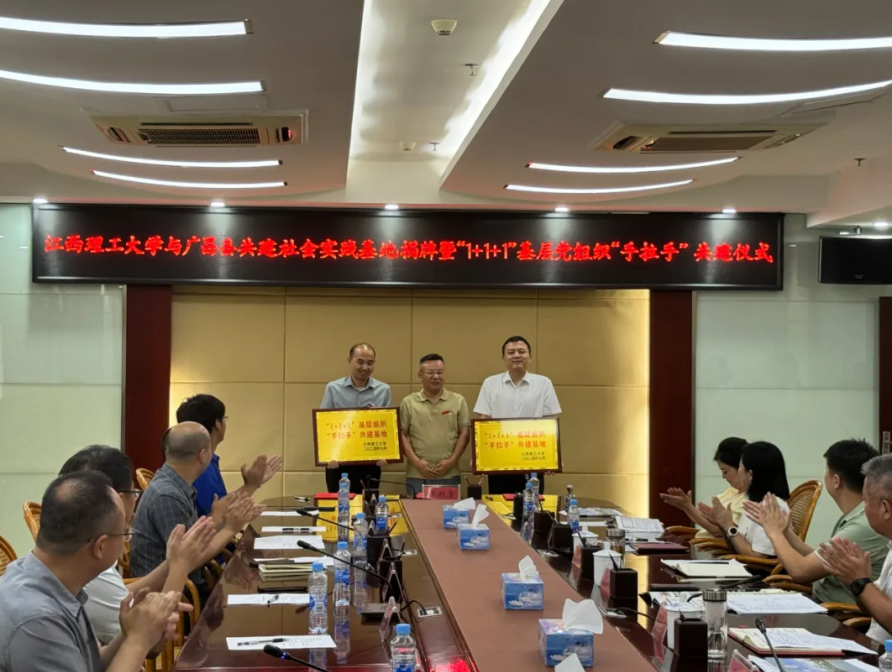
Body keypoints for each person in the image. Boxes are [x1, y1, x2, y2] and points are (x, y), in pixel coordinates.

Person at [0, 471, 188, 672]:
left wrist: (129, 632)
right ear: (100, 547)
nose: (126, 540)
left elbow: (88, 664)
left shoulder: (41, 576)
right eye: (125, 533)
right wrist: (138, 640)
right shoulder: (37, 621)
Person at [59, 445, 218, 644]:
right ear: (116, 499)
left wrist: (175, 561)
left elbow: (116, 596)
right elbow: (151, 644)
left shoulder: (73, 551)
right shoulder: (89, 563)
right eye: (133, 493)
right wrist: (179, 567)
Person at [130, 422, 261, 605]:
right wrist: (231, 527)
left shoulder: (174, 484)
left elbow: (194, 544)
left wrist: (220, 519)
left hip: (186, 588)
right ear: (203, 455)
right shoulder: (168, 495)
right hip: (169, 599)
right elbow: (191, 558)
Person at [744, 439, 886, 604]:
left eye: (826, 470)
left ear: (836, 480)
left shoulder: (861, 525)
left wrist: (774, 533)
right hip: (822, 602)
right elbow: (821, 559)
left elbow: (800, 571)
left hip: (838, 613)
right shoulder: (855, 515)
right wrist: (785, 532)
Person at [818, 454, 892, 642]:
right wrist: (852, 579)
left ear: (885, 509)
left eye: (865, 502)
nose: (863, 509)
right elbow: (872, 606)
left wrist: (860, 581)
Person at [474, 335, 561, 494]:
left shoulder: (543, 383)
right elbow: (484, 421)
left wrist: (553, 458)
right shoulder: (490, 383)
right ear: (503, 358)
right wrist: (481, 458)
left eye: (521, 351)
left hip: (533, 458)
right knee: (500, 505)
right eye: (511, 352)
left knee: (532, 505)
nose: (516, 355)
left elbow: (550, 421)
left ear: (530, 357)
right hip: (499, 459)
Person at [175, 394, 283, 518]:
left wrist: (252, 484)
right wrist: (251, 485)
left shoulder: (203, 461)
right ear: (217, 424)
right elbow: (213, 519)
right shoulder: (200, 465)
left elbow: (221, 506)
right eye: (224, 419)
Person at [320, 343, 392, 493]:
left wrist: (385, 454)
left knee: (368, 503)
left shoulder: (383, 390)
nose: (365, 367)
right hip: (338, 462)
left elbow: (387, 427)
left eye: (370, 363)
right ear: (350, 360)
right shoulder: (333, 388)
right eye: (360, 362)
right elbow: (324, 425)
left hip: (370, 462)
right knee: (339, 504)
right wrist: (328, 455)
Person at [699, 441, 791, 557]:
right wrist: (723, 524)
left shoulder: (772, 507)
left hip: (755, 568)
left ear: (750, 474)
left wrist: (729, 525)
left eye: (740, 467)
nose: (738, 471)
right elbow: (737, 548)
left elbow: (757, 558)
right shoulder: (753, 501)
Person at [400, 354, 470, 495]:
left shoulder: (458, 400)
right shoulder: (408, 402)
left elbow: (465, 433)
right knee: (417, 509)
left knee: (448, 509)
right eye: (430, 373)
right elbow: (401, 435)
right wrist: (417, 463)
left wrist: (451, 461)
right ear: (420, 375)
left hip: (449, 473)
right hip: (417, 474)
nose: (436, 377)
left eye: (440, 372)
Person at [659, 437, 747, 539]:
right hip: (700, 543)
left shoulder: (749, 499)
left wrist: (688, 507)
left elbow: (719, 531)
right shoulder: (731, 492)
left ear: (742, 468)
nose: (723, 477)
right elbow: (709, 522)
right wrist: (686, 506)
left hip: (712, 547)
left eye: (725, 471)